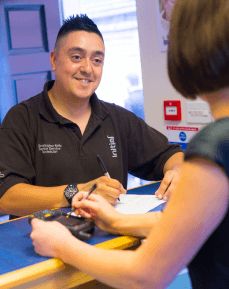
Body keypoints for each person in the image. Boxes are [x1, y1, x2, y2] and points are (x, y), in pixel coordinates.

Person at [30, 1, 229, 288]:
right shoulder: (24, 117)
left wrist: (62, 245)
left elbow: (145, 274)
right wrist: (115, 221)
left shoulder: (214, 148)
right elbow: (190, 223)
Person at [0, 15, 183, 218]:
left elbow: (169, 154)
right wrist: (79, 191)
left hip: (110, 242)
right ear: (54, 60)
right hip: (43, 244)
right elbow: (6, 197)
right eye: (76, 57)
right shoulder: (22, 118)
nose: (87, 68)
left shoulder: (117, 118)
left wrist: (178, 171)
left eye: (97, 60)